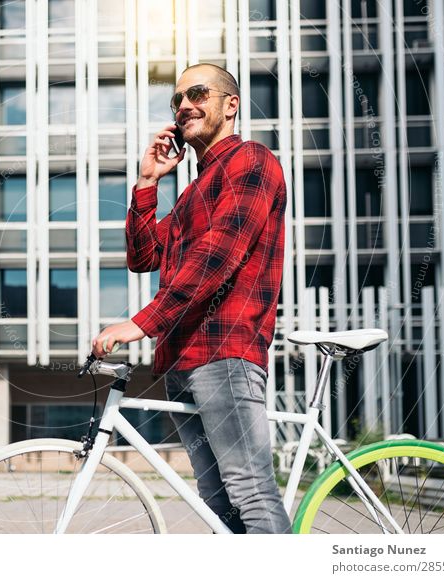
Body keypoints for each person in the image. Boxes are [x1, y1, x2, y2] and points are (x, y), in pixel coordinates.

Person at [90, 63, 291, 534]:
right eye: (177, 99)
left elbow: (216, 256)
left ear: (231, 105)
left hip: (225, 353)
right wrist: (147, 182)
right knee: (219, 506)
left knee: (250, 491)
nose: (183, 106)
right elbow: (144, 257)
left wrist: (139, 324)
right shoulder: (193, 193)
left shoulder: (252, 162)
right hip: (181, 360)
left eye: (197, 93)